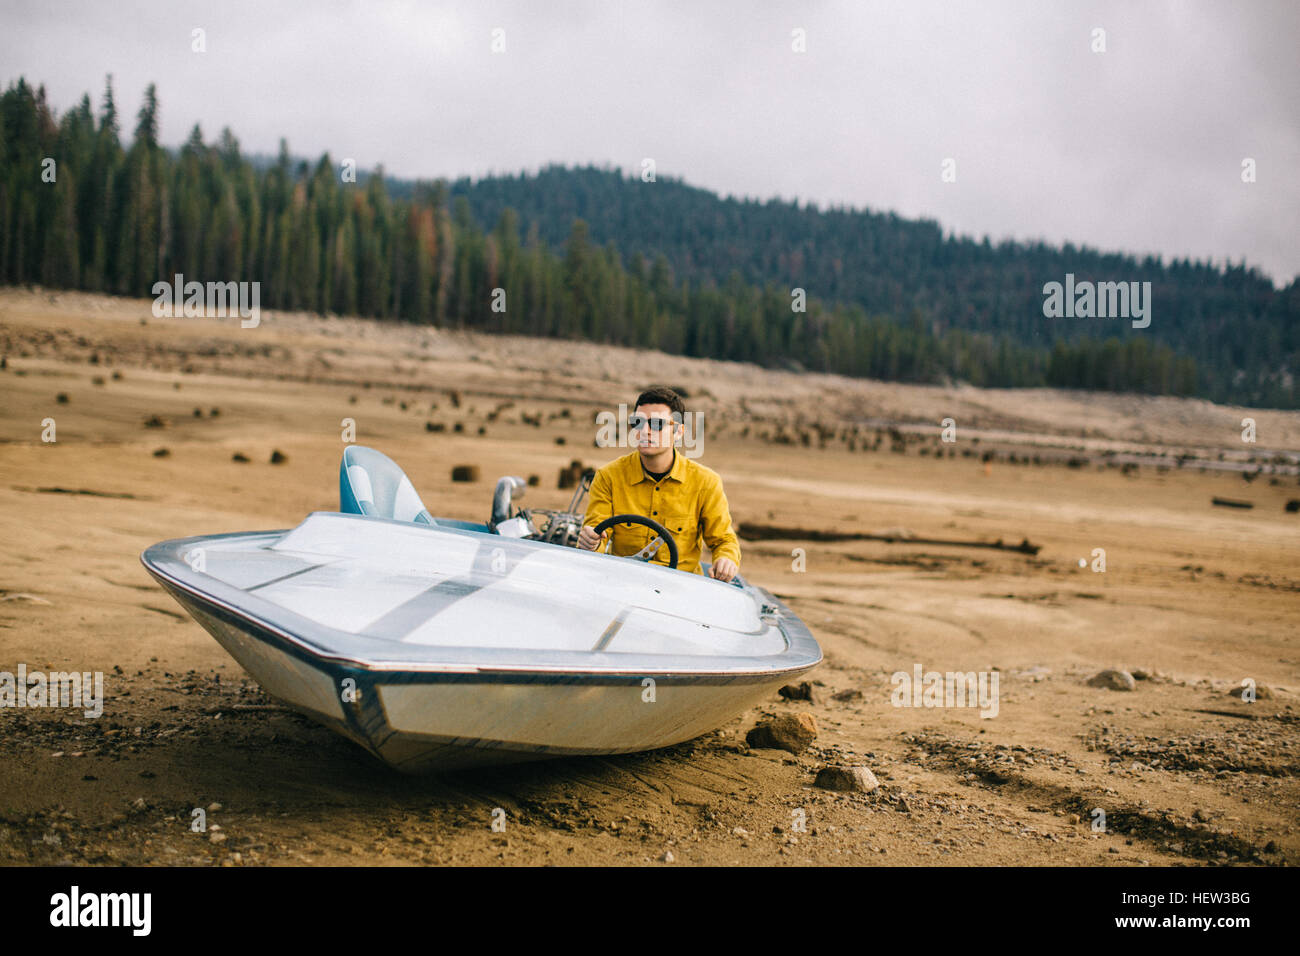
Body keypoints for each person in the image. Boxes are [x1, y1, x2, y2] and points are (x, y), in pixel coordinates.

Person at [577, 385, 741, 582]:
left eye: (656, 424)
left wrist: (726, 559)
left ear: (679, 431)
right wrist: (591, 543)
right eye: (637, 422)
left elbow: (724, 540)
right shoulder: (608, 477)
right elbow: (597, 533)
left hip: (680, 588)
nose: (644, 431)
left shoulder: (705, 482)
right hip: (622, 583)